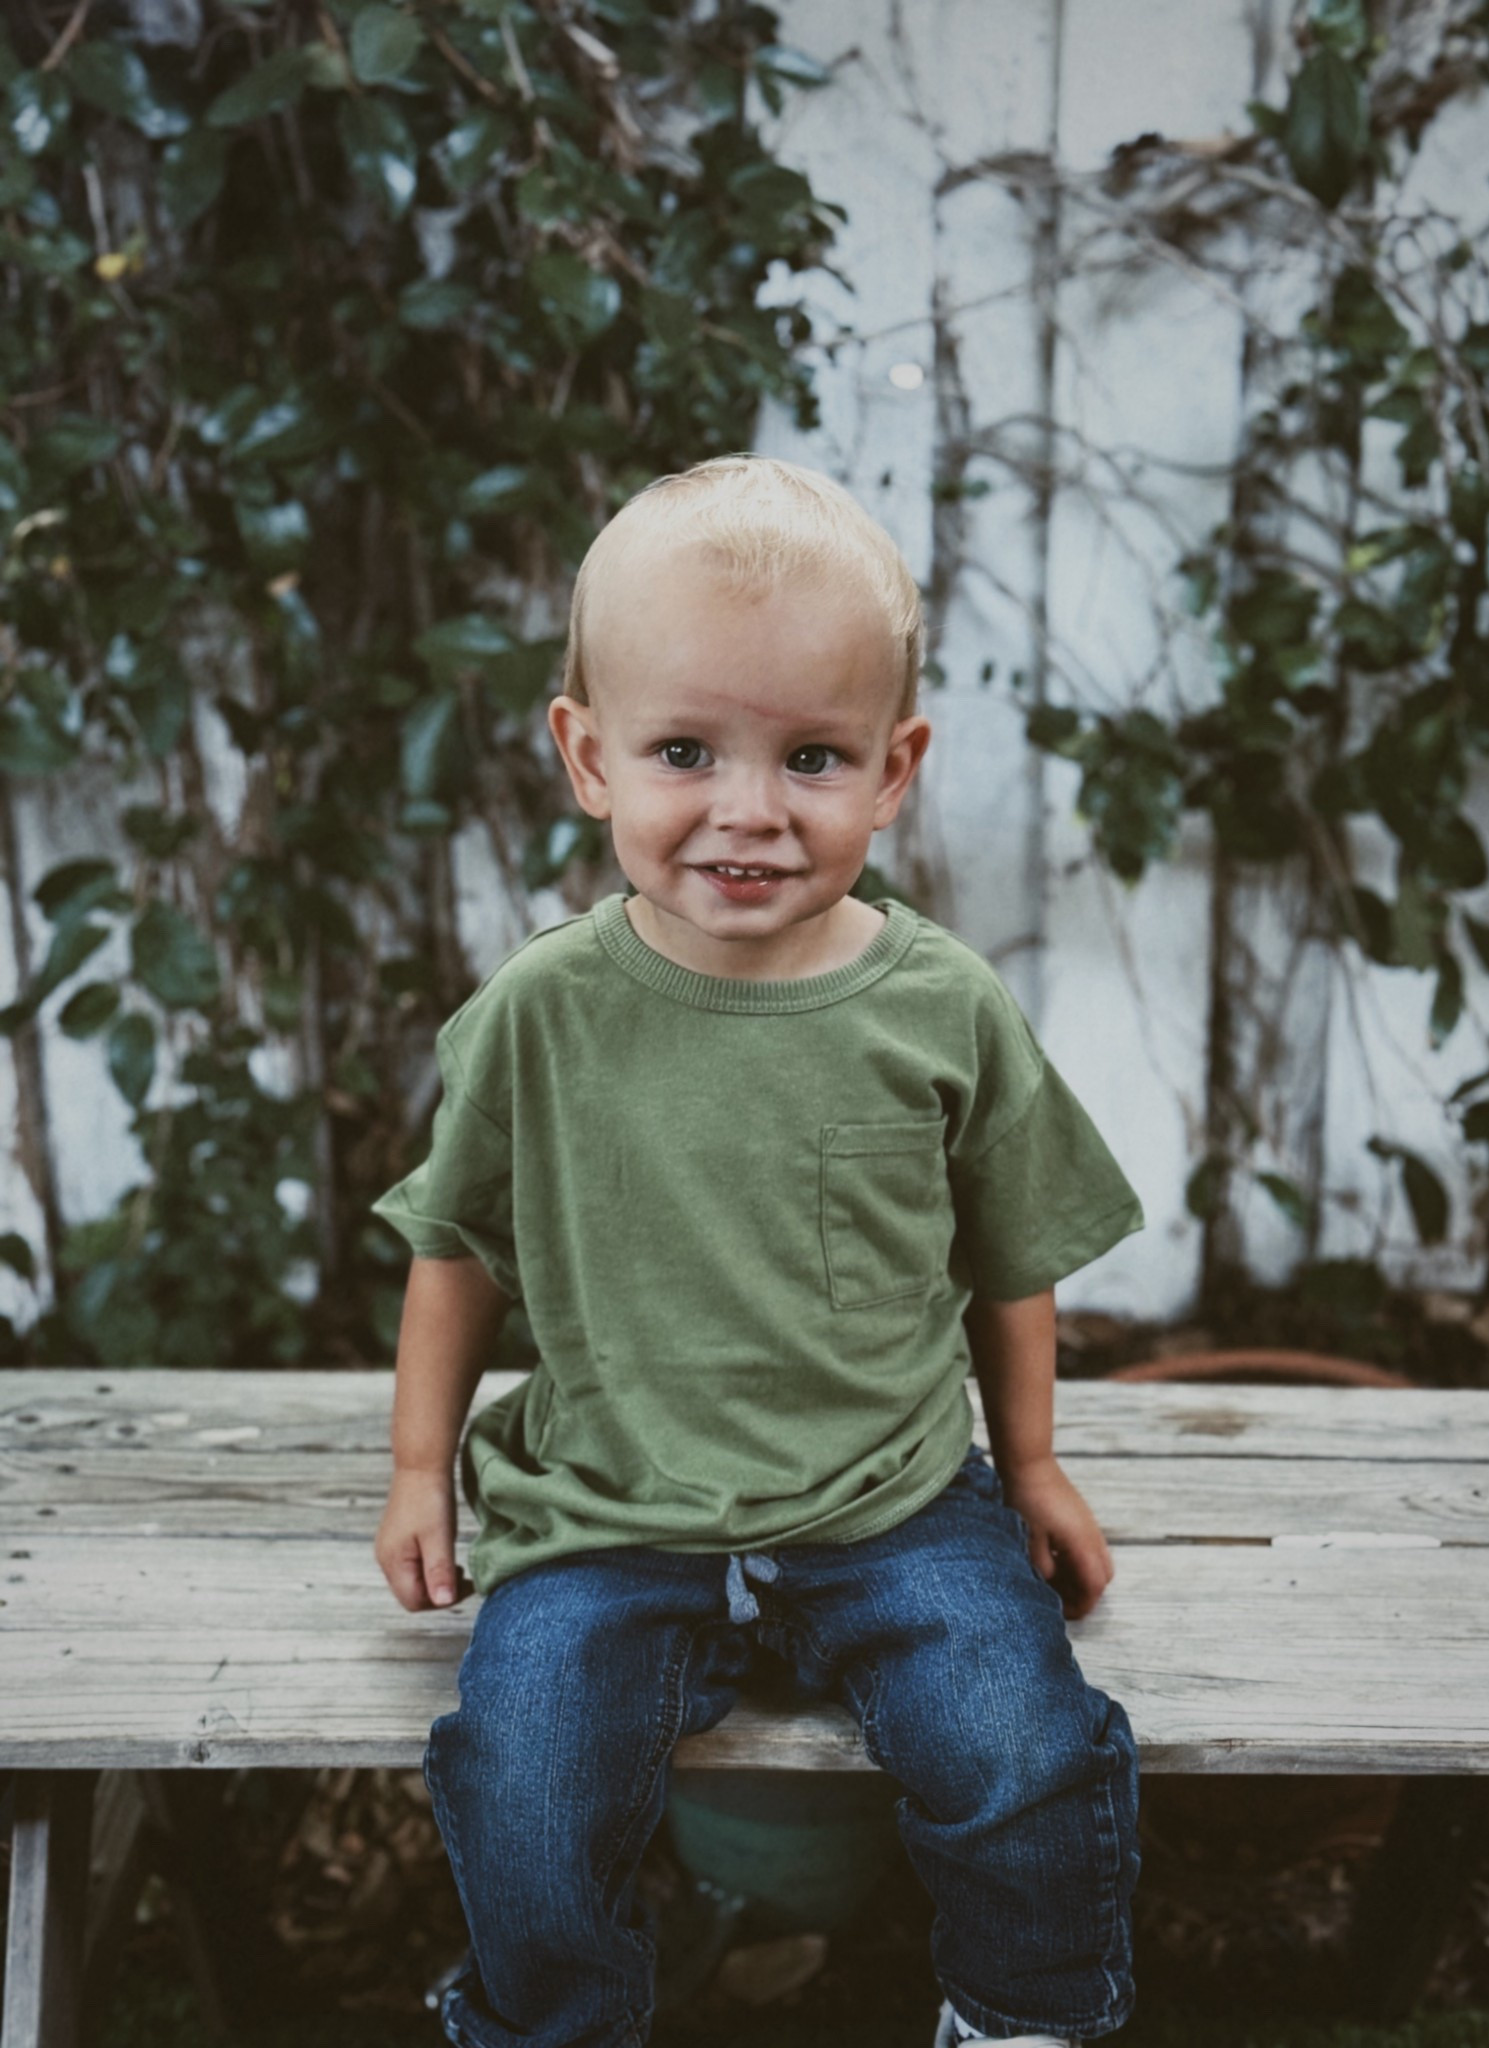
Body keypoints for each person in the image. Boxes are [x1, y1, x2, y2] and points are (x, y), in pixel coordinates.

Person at [371, 453, 1146, 2048]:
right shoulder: (543, 1013)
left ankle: (1025, 2017)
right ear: (585, 757)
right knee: (518, 1773)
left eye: (811, 756)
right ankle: (556, 2024)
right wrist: (412, 1469)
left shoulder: (939, 1010)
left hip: (893, 1498)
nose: (749, 811)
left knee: (1024, 1748)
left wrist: (1041, 1463)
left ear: (894, 767)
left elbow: (1012, 1257)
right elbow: (452, 1246)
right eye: (682, 751)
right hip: (608, 1500)